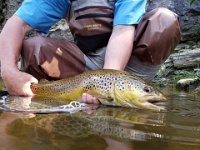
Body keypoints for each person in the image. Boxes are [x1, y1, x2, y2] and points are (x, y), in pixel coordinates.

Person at [0, 0, 181, 104]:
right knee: (34, 48)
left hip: (128, 66)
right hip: (86, 67)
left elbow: (123, 30)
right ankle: (48, 97)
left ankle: (138, 92)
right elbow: (16, 24)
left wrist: (107, 87)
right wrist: (9, 72)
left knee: (163, 20)